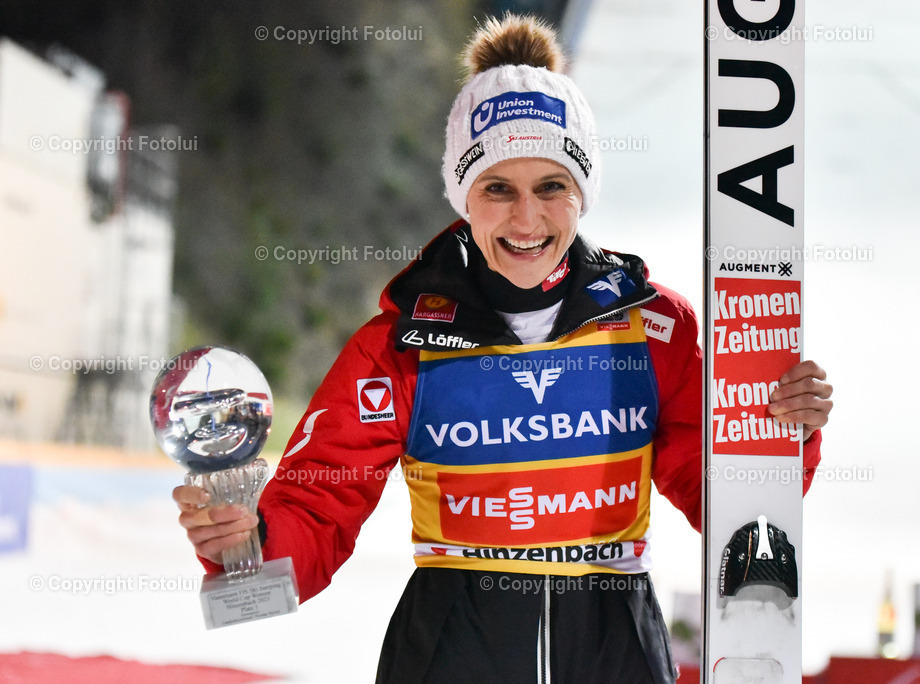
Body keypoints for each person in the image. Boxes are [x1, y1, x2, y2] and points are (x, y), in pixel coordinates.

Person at [173, 14, 833, 684]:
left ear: (583, 192)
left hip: (613, 647)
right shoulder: (401, 347)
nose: (526, 218)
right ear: (464, 196)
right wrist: (247, 547)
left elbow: (725, 503)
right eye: (498, 189)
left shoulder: (655, 328)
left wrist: (783, 435)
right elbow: (318, 513)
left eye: (552, 186)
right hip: (451, 649)